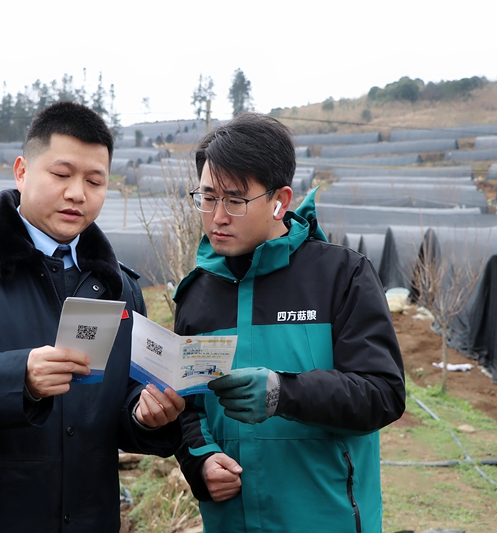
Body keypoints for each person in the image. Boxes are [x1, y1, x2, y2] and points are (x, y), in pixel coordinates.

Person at [0, 101, 185, 533]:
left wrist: (144, 415)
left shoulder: (119, 286)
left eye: (95, 181)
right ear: (21, 171)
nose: (78, 193)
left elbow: (118, 403)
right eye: (62, 175)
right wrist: (18, 376)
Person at [173, 113, 405, 533]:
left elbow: (382, 394)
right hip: (231, 521)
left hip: (324, 518)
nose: (217, 216)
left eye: (234, 200)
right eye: (207, 197)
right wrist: (200, 459)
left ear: (280, 199)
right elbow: (189, 406)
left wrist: (285, 393)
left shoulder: (340, 275)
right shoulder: (197, 293)